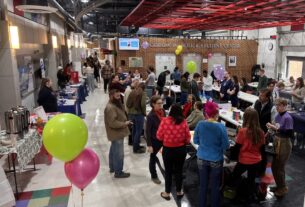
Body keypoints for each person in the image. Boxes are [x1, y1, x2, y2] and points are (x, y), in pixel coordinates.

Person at [193, 101, 229, 207]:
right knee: (215, 186)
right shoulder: (221, 127)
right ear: (216, 114)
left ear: (206, 113)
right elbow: (226, 146)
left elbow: (195, 141)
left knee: (203, 186)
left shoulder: (200, 124)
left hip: (201, 158)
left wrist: (205, 143)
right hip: (216, 159)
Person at [229, 108, 265, 201]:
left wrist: (230, 157)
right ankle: (249, 196)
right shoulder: (261, 132)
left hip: (244, 160)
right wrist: (263, 167)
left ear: (245, 118)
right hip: (257, 161)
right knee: (251, 179)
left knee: (234, 176)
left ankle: (236, 193)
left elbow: (237, 148)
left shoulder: (242, 131)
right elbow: (262, 150)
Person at [157, 104, 191, 200]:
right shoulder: (184, 122)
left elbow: (159, 136)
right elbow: (188, 139)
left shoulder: (164, 121)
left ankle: (167, 192)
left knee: (168, 171)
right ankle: (179, 191)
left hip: (168, 150)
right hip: (180, 150)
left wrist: (167, 139)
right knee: (179, 171)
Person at [266, 98, 293, 197]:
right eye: (276, 105)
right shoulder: (277, 115)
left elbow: (289, 133)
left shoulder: (287, 118)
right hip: (277, 141)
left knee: (280, 167)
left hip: (285, 143)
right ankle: (278, 185)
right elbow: (274, 126)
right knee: (274, 166)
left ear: (284, 106)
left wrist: (275, 128)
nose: (277, 107)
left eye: (279, 105)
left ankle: (283, 188)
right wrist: (270, 129)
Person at [104, 89, 132, 178]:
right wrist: (125, 123)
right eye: (117, 96)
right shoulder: (111, 107)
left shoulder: (114, 105)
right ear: (111, 96)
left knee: (113, 151)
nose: (119, 98)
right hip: (116, 134)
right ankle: (118, 172)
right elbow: (112, 123)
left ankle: (113, 168)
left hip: (116, 133)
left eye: (119, 96)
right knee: (118, 154)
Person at [146, 95, 165, 184]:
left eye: (162, 103)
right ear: (153, 104)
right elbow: (148, 132)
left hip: (164, 139)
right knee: (153, 158)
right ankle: (154, 175)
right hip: (155, 141)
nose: (161, 105)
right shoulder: (150, 116)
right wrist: (149, 145)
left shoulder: (163, 111)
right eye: (158, 104)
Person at [126, 82, 147, 153]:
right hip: (139, 114)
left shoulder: (132, 92)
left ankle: (135, 145)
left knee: (134, 130)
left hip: (131, 114)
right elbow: (143, 104)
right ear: (144, 88)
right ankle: (136, 148)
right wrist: (144, 113)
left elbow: (127, 103)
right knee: (138, 131)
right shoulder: (143, 93)